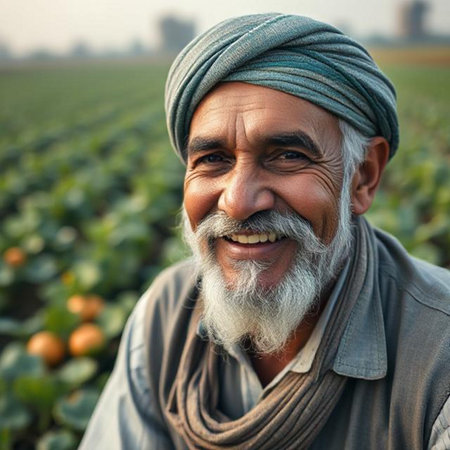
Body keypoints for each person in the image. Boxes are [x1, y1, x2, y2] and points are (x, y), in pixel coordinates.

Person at [80, 13, 450, 450]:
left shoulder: (438, 361)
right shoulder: (162, 318)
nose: (237, 201)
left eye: (288, 155)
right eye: (213, 158)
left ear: (362, 177)